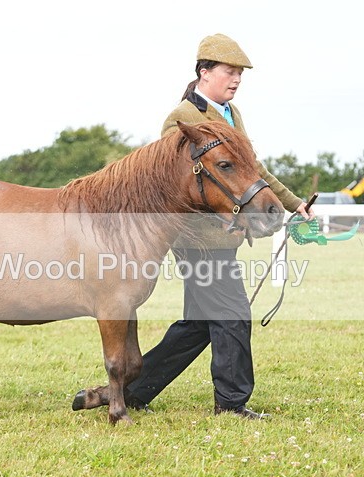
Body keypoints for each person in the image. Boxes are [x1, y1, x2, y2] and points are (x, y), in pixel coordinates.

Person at [123, 33, 313, 419]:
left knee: (198, 325)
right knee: (232, 314)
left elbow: (252, 171)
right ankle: (231, 402)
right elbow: (177, 186)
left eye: (240, 73)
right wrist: (231, 218)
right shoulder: (184, 119)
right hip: (198, 239)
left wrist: (293, 204)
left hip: (223, 238)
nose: (237, 79)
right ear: (204, 72)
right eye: (230, 71)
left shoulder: (231, 114)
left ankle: (131, 392)